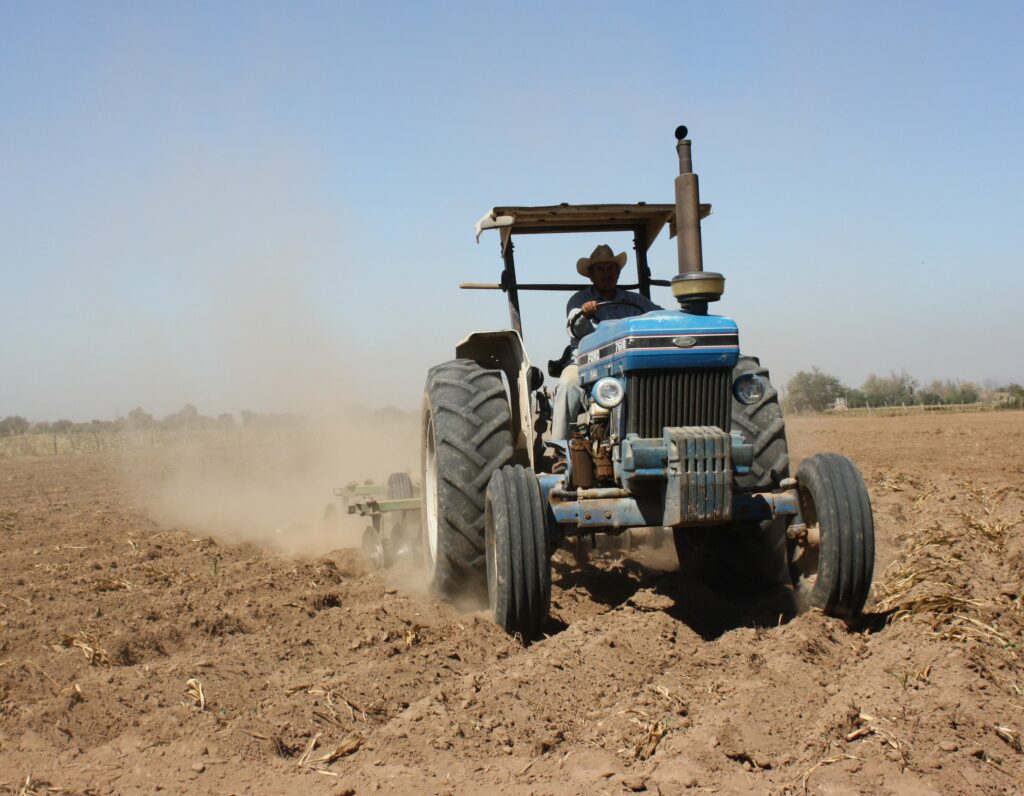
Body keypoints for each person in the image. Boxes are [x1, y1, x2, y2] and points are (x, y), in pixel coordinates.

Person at [551, 244, 661, 440]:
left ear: (618, 274)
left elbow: (659, 316)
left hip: (629, 364)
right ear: (591, 276)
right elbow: (574, 327)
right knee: (568, 385)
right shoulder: (579, 300)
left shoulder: (636, 301)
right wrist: (584, 313)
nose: (606, 274)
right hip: (588, 363)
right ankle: (560, 450)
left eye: (611, 269)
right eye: (600, 270)